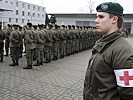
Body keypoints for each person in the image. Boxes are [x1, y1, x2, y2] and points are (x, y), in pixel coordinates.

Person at [83, 2, 133, 100]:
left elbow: (128, 93)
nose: (96, 21)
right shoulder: (104, 43)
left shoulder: (122, 50)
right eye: (96, 17)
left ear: (114, 19)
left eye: (101, 17)